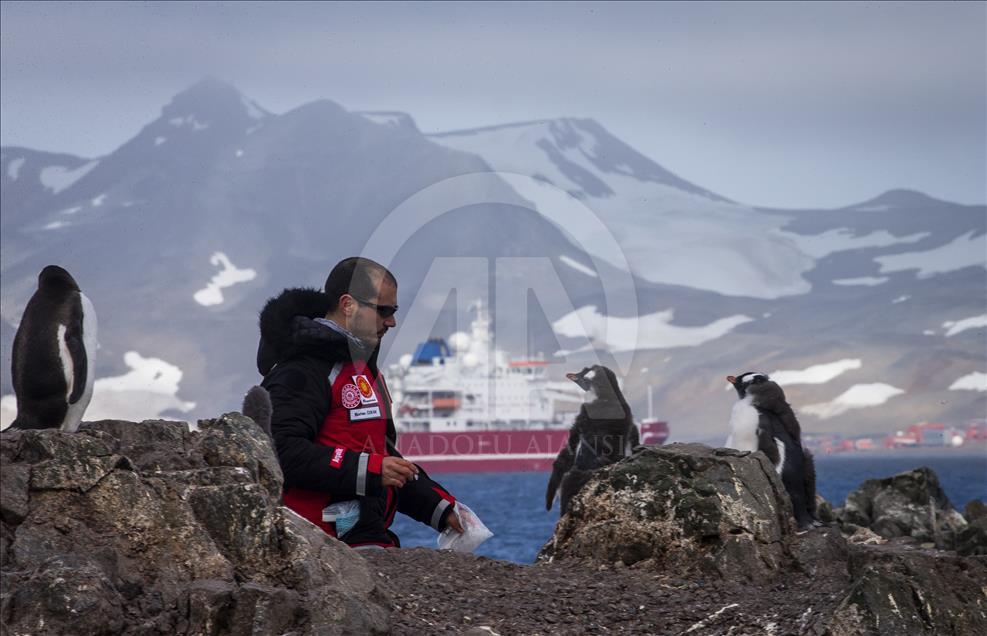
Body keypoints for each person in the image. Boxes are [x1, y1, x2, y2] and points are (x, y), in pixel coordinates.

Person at [257, 256, 462, 548]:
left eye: (394, 310)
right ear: (347, 305)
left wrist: (440, 509)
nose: (391, 321)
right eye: (383, 310)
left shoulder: (362, 369)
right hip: (321, 547)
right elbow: (281, 453)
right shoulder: (302, 369)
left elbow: (381, 456)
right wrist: (371, 468)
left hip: (365, 535)